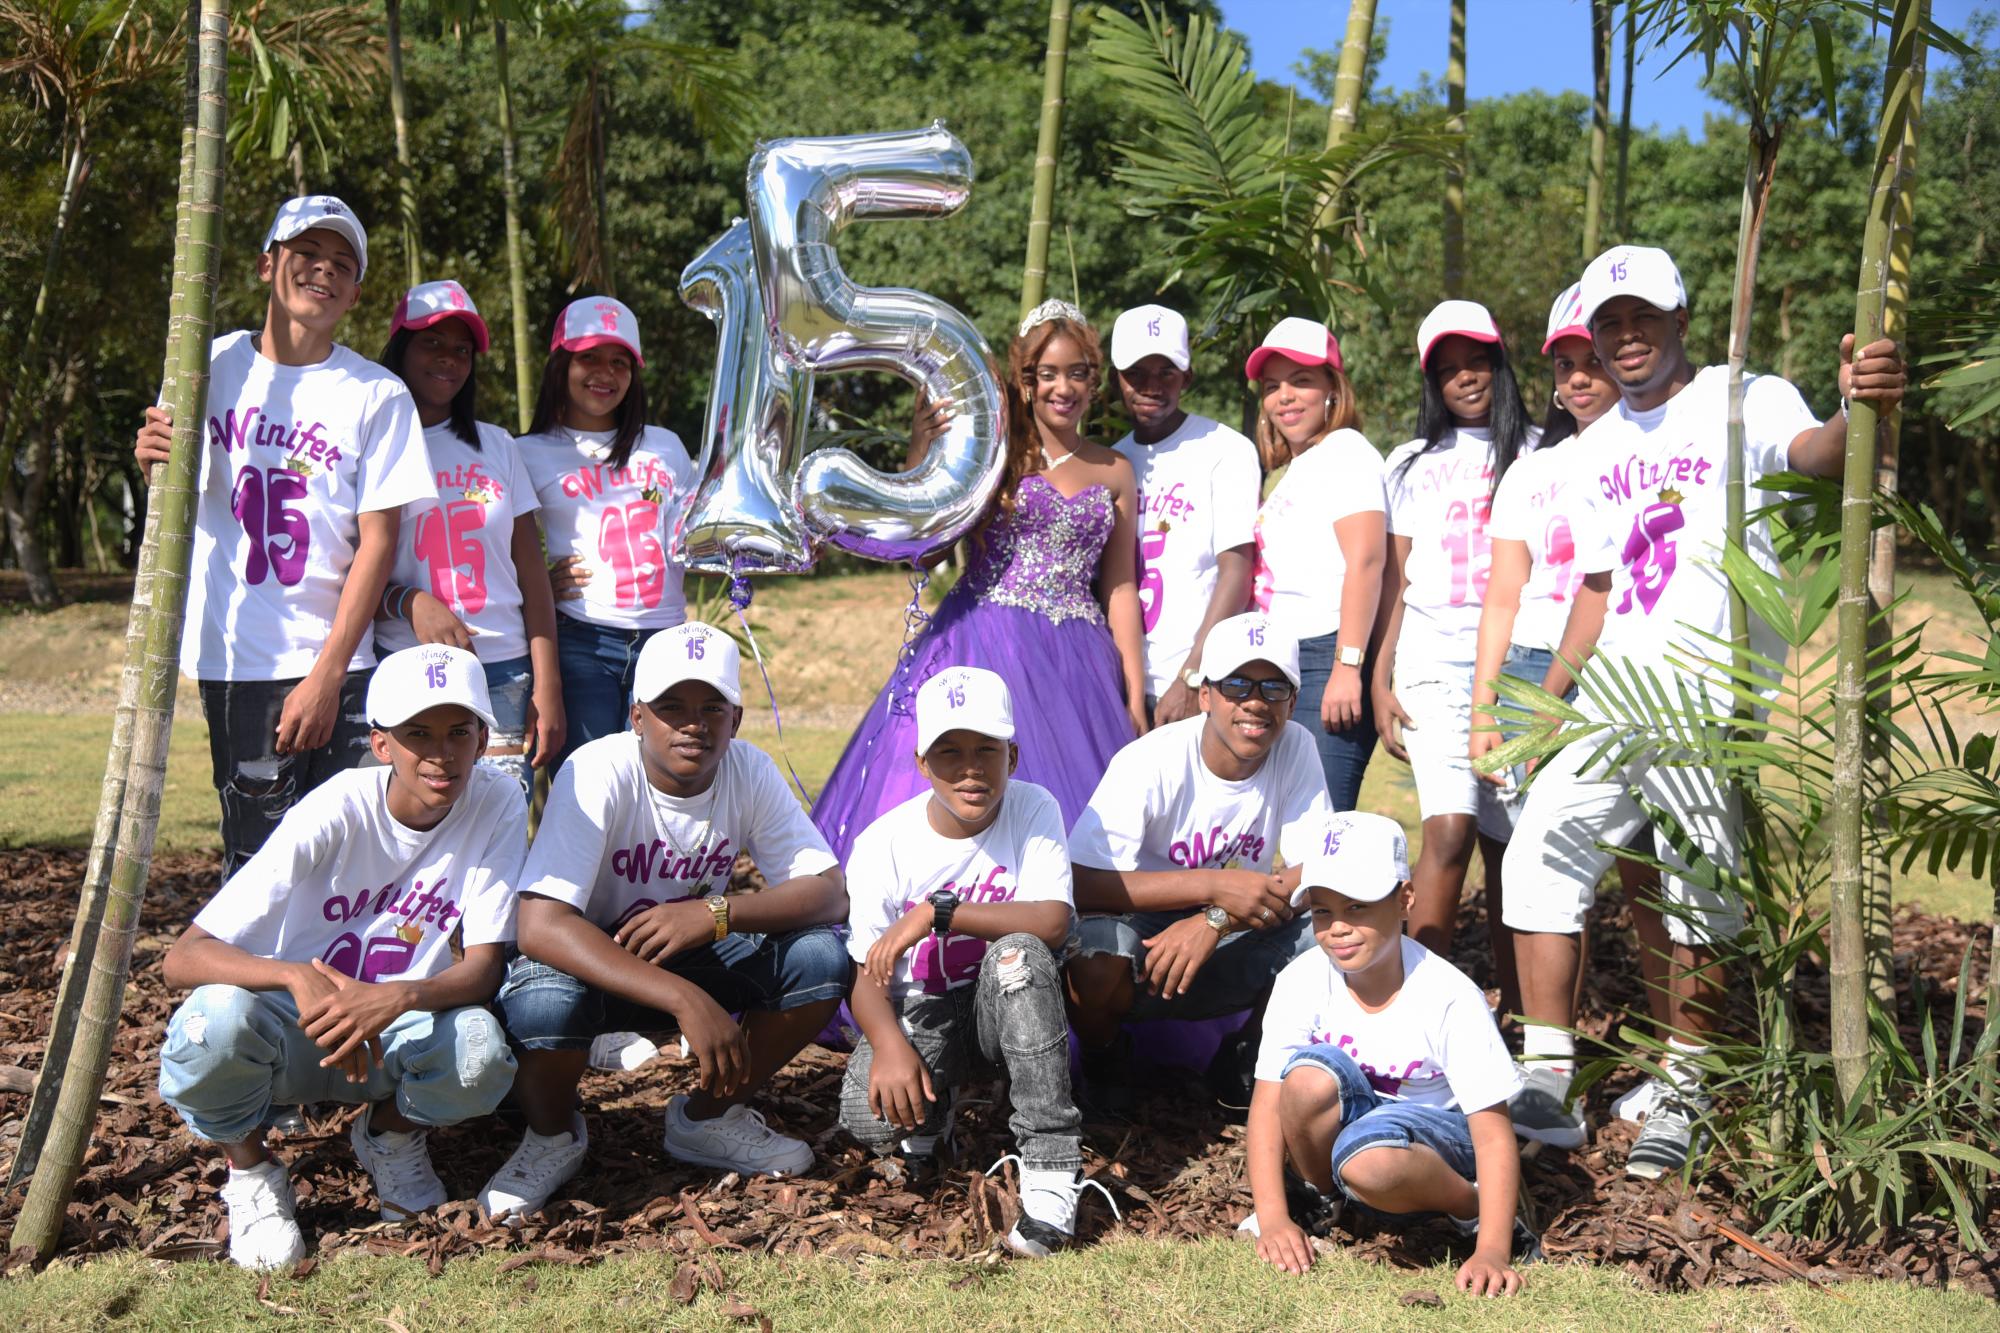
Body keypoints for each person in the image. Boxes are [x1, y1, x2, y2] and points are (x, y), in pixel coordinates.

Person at [1501, 245, 1907, 1176]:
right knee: (1539, 857)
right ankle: (1549, 1079)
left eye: (1642, 316)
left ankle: (1685, 1087)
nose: (1626, 336)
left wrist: (1859, 405)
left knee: (1698, 892)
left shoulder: (1741, 398)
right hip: (1613, 700)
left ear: (1682, 318)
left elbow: (1817, 457)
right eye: (1609, 324)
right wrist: (1542, 708)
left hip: (1707, 694)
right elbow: (1597, 591)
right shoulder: (1591, 448)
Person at [155, 644, 524, 1269]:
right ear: (381, 744)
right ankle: (251, 1173)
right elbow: (183, 958)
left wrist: (399, 995)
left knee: (479, 1051)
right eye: (417, 734)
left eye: (459, 731)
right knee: (210, 1024)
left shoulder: (498, 800)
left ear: (484, 738)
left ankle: (389, 1137)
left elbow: (484, 967)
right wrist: (293, 974)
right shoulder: (335, 808)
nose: (441, 753)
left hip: (393, 1033)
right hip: (296, 1029)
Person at [480, 622, 850, 1217]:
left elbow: (830, 893)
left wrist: (715, 912)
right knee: (544, 1004)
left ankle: (708, 1118)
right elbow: (541, 925)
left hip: (692, 947)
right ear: (637, 716)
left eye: (712, 707)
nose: (693, 724)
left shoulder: (747, 770)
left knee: (819, 959)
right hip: (593, 958)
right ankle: (552, 1136)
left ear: (737, 718)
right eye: (671, 707)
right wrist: (683, 998)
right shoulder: (597, 770)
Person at [134, 196, 434, 877]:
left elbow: (377, 543)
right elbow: (176, 486)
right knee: (261, 867)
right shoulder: (205, 366)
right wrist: (149, 454)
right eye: (307, 256)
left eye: (341, 264)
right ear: (268, 265)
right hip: (239, 664)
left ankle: (349, 986)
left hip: (343, 667)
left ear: (356, 291)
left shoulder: (376, 394)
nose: (322, 273)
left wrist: (329, 673)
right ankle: (261, 986)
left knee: (358, 859)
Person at [811, 300, 1149, 864]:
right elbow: (930, 541)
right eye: (1047, 374)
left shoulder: (1115, 470)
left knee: (1084, 820)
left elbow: (1119, 589)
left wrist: (1133, 694)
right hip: (984, 637)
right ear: (1024, 382)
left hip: (1079, 661)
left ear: (1094, 382)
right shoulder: (995, 454)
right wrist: (922, 447)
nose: (1062, 387)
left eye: (1077, 373)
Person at [1466, 282, 1658, 1089]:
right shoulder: (1531, 471)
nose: (1579, 379)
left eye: (1592, 362)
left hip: (1625, 673)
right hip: (1529, 671)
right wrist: (1486, 711)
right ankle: (1550, 1058)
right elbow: (1502, 596)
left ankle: (1668, 1056)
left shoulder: (1645, 450)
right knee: (1536, 866)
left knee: (1646, 872)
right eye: (1564, 365)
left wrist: (1550, 696)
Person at [839, 666, 1093, 1257]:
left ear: (1015, 754)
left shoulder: (1033, 808)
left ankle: (1051, 1169)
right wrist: (889, 1046)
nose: (971, 768)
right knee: (865, 1113)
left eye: (987, 749)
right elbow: (863, 973)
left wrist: (940, 912)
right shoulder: (883, 843)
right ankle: (934, 1115)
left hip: (1007, 1008)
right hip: (925, 1008)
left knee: (1019, 955)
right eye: (949, 752)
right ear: (922, 763)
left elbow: (1054, 921)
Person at [1238, 812, 1534, 1296]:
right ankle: (1322, 1200)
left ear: (1405, 899)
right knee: (1306, 1080)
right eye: (1322, 911)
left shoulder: (1449, 996)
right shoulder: (1300, 979)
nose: (1338, 928)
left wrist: (1494, 1249)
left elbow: (1493, 1130)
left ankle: (1470, 1208)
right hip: (1357, 1128)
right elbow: (1269, 1101)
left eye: (1357, 906)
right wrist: (1273, 1218)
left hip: (1436, 1138)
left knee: (1369, 1156)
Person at [1066, 611, 1334, 1113]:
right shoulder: (1152, 760)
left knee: (1329, 933)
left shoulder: (1296, 746)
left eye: (1274, 688)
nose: (1255, 702)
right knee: (1093, 954)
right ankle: (1106, 1060)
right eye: (1237, 684)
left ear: (1293, 701)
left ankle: (1245, 1060)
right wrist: (1212, 886)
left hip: (1232, 932)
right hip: (1145, 941)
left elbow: (1321, 865)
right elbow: (1079, 882)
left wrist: (1216, 918)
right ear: (1205, 695)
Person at [1371, 300, 1537, 955]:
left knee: (1513, 846)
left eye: (1478, 362)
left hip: (1518, 665)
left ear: (1501, 364)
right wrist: (1381, 676)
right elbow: (1396, 579)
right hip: (1432, 662)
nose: (1465, 378)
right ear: (1431, 382)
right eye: (1448, 369)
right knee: (1448, 829)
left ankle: (1523, 1016)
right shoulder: (1410, 461)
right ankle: (1414, 1004)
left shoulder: (1539, 450)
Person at [374, 280, 564, 797]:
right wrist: (409, 601)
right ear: (400, 349)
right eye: (432, 343)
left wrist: (546, 685)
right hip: (405, 662)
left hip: (502, 670)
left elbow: (531, 577)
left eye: (462, 350)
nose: (449, 360)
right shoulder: (370, 441)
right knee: (414, 821)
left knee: (499, 822)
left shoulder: (498, 445)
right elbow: (344, 574)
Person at [517, 296, 696, 767]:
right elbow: (495, 545)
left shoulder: (667, 447)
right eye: (589, 358)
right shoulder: (526, 452)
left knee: (658, 789)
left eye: (620, 362)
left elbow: (693, 538)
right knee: (589, 786)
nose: (605, 373)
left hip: (664, 638)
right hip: (580, 640)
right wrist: (530, 587)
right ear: (561, 365)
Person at [1246, 317, 1387, 812]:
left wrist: (1347, 667)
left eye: (1301, 380)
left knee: (1322, 822)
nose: (1285, 396)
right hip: (1284, 658)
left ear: (1333, 388)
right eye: (1272, 386)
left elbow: (1367, 561)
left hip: (1325, 653)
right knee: (1289, 822)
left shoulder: (1346, 450)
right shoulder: (1294, 468)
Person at [1107, 304, 1260, 726]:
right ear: (1116, 377)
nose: (1151, 386)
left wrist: (1193, 677)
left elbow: (1237, 571)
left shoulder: (1225, 450)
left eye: (1166, 373)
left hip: (1198, 683)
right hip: (1125, 686)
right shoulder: (1111, 462)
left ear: (1187, 377)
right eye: (1136, 372)